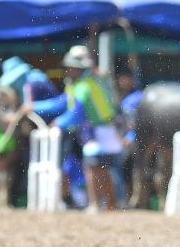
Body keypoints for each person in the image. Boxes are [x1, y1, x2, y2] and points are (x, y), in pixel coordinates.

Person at [27, 46, 124, 212]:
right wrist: (33, 106)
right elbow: (60, 103)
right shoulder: (79, 85)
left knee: (94, 168)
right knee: (99, 168)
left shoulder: (85, 86)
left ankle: (99, 204)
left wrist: (59, 122)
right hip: (97, 131)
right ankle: (108, 204)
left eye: (72, 68)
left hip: (101, 131)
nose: (68, 71)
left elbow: (77, 113)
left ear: (80, 68)